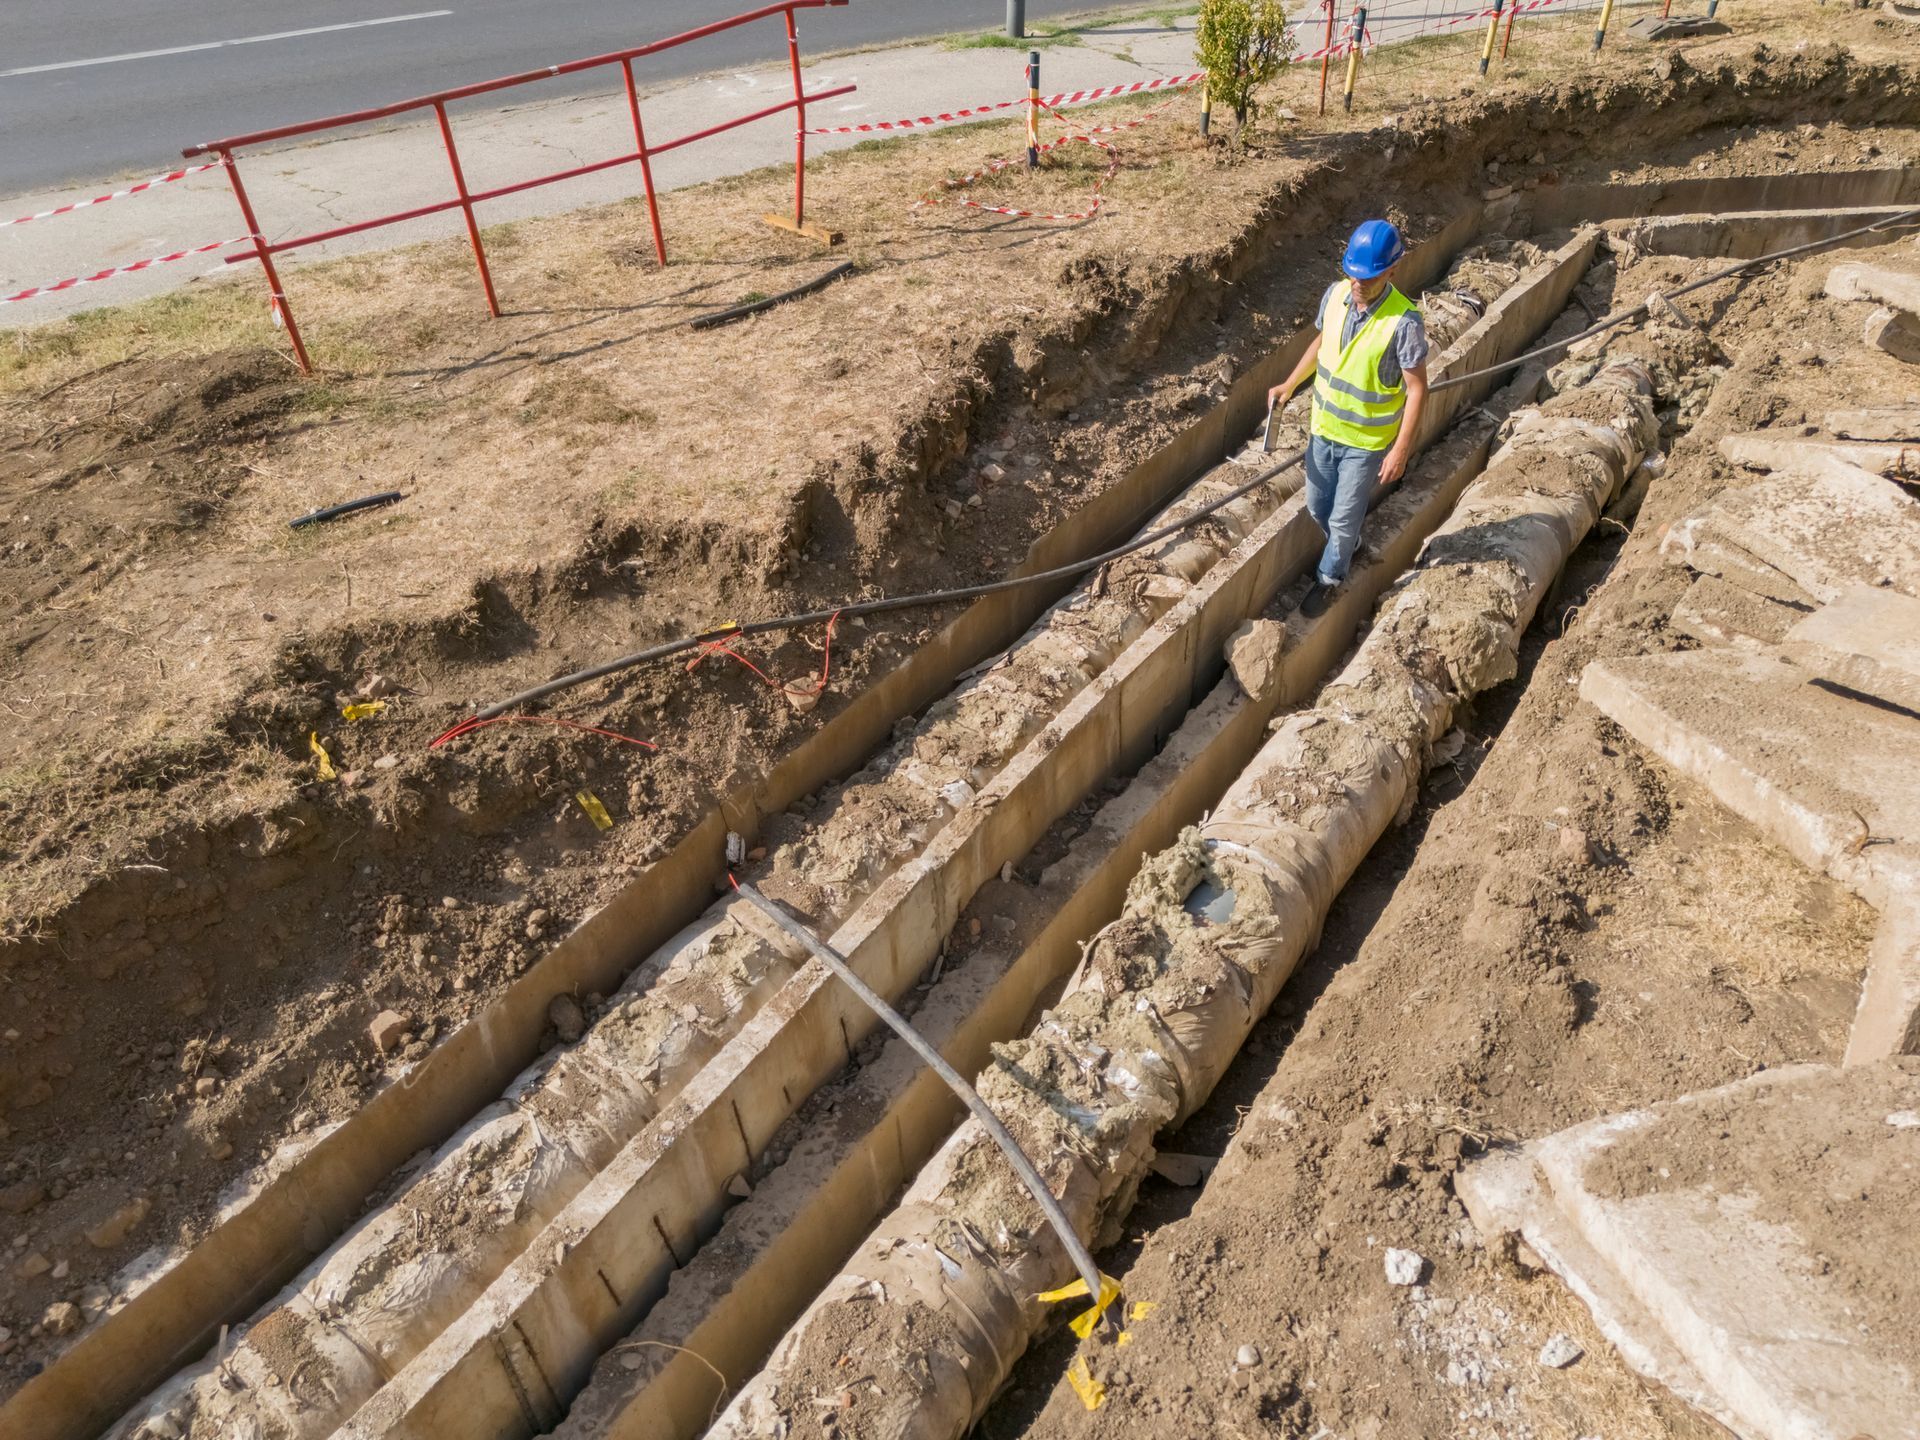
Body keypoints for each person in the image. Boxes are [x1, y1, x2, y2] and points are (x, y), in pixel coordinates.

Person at [1268, 219, 1429, 619]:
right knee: (1317, 507)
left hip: (1365, 443)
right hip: (1323, 430)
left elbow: (1417, 389)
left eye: (1369, 277)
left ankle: (1330, 578)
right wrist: (1289, 384)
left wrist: (1401, 450)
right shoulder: (1336, 295)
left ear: (1392, 270)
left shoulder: (1403, 323)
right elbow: (1322, 342)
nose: (1359, 283)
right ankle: (1350, 545)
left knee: (1342, 520)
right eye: (1353, 274)